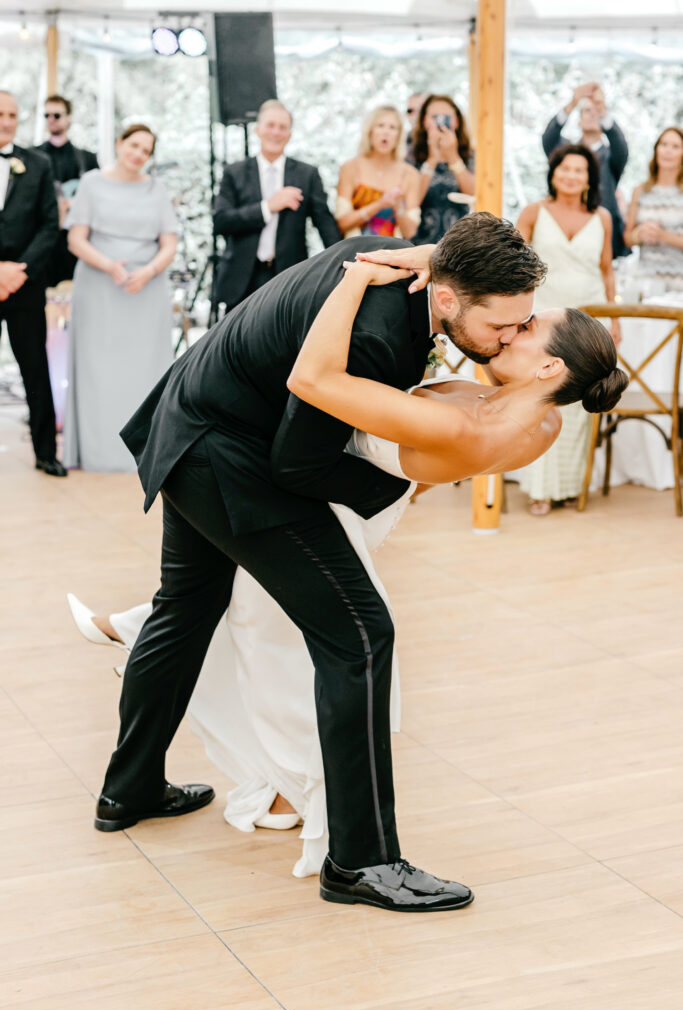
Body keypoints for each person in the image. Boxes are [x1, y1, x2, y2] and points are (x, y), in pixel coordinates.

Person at [73, 240, 625, 881]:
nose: (510, 333)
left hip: (206, 429)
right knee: (358, 634)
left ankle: (132, 789)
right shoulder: (396, 333)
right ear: (449, 295)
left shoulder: (406, 298)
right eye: (508, 322)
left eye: (524, 327)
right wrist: (424, 256)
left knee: (191, 609)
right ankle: (362, 861)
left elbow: (318, 433)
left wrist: (376, 270)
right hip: (230, 453)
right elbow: (299, 460)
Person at [63, 124, 177, 473]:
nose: (138, 154)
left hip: (147, 292)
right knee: (97, 370)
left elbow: (169, 243)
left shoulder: (157, 190)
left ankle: (143, 450)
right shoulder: (91, 183)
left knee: (146, 368)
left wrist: (149, 272)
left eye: (146, 150)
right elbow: (76, 239)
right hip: (99, 289)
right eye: (134, 145)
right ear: (119, 144)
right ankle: (97, 451)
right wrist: (109, 266)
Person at [515, 143, 619, 515]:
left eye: (580, 170)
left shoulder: (602, 217)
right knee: (543, 398)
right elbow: (513, 262)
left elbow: (606, 269)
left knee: (579, 404)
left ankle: (573, 486)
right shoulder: (533, 211)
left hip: (591, 319)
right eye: (565, 168)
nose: (571, 176)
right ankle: (540, 489)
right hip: (544, 319)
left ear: (589, 179)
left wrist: (615, 318)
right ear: (553, 172)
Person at [213, 99, 341, 311]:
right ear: (258, 130)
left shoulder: (307, 175)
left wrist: (343, 262)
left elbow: (325, 224)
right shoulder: (234, 173)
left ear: (289, 135)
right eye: (270, 125)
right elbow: (221, 221)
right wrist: (268, 207)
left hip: (289, 278)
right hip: (241, 280)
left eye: (282, 127)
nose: (276, 132)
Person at [0, 89, 65, 477]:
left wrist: (17, 270)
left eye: (12, 115)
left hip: (24, 285)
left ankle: (46, 453)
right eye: (0, 113)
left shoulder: (38, 164)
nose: (6, 121)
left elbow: (49, 225)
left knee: (36, 370)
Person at [542, 82, 629, 258]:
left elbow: (620, 144)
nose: (593, 114)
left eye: (597, 111)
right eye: (588, 110)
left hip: (604, 236)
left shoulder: (612, 156)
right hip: (564, 229)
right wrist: (572, 103)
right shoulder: (566, 151)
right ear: (579, 120)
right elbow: (549, 139)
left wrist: (602, 108)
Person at [34, 94, 98, 287]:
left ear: (69, 117)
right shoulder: (33, 157)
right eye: (46, 115)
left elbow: (99, 200)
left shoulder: (87, 159)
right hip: (43, 245)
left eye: (57, 115)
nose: (51, 120)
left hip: (76, 244)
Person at [335, 105, 421, 240]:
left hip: (395, 251)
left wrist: (398, 207)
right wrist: (380, 204)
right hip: (355, 249)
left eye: (392, 128)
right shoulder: (350, 168)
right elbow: (342, 223)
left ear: (399, 135)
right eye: (380, 126)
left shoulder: (410, 174)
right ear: (370, 131)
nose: (386, 132)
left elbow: (410, 231)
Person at [623, 126, 683, 293]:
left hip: (679, 283)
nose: (668, 151)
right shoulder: (640, 191)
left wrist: (664, 236)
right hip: (646, 281)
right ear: (656, 149)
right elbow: (628, 238)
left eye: (675, 146)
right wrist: (639, 234)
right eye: (663, 144)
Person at [412, 94, 475, 245]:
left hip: (459, 242)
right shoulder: (412, 154)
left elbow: (474, 193)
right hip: (420, 242)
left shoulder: (470, 155)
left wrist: (453, 157)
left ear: (457, 121)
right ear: (424, 121)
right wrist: (432, 159)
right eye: (435, 117)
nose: (440, 122)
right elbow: (412, 200)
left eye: (446, 117)